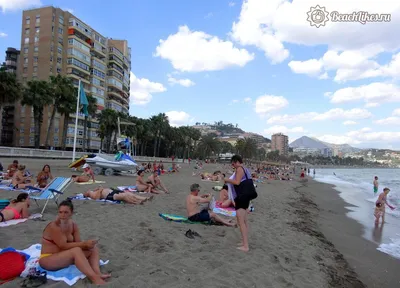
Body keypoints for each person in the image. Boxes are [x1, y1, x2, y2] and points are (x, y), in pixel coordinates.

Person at [39, 200, 110, 285]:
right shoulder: (54, 226)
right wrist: (84, 244)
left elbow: (78, 243)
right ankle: (95, 279)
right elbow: (63, 246)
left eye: (66, 212)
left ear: (71, 213)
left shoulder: (73, 225)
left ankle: (97, 273)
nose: (62, 215)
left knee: (93, 248)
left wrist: (88, 244)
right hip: (48, 259)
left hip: (63, 257)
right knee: (76, 250)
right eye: (60, 212)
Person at [224, 155, 257, 252]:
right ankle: (244, 242)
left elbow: (237, 182)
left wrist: (226, 180)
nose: (232, 165)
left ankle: (245, 246)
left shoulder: (239, 169)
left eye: (233, 163)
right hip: (246, 196)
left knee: (241, 221)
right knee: (244, 220)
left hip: (242, 196)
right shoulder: (245, 169)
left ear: (237, 161)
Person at [83, 187, 151, 204]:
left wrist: (98, 188)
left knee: (128, 193)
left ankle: (144, 198)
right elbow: (97, 198)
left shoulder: (92, 191)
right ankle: (137, 202)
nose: (87, 191)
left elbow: (99, 190)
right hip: (108, 195)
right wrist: (100, 190)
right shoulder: (91, 195)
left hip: (111, 191)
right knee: (124, 196)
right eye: (86, 192)